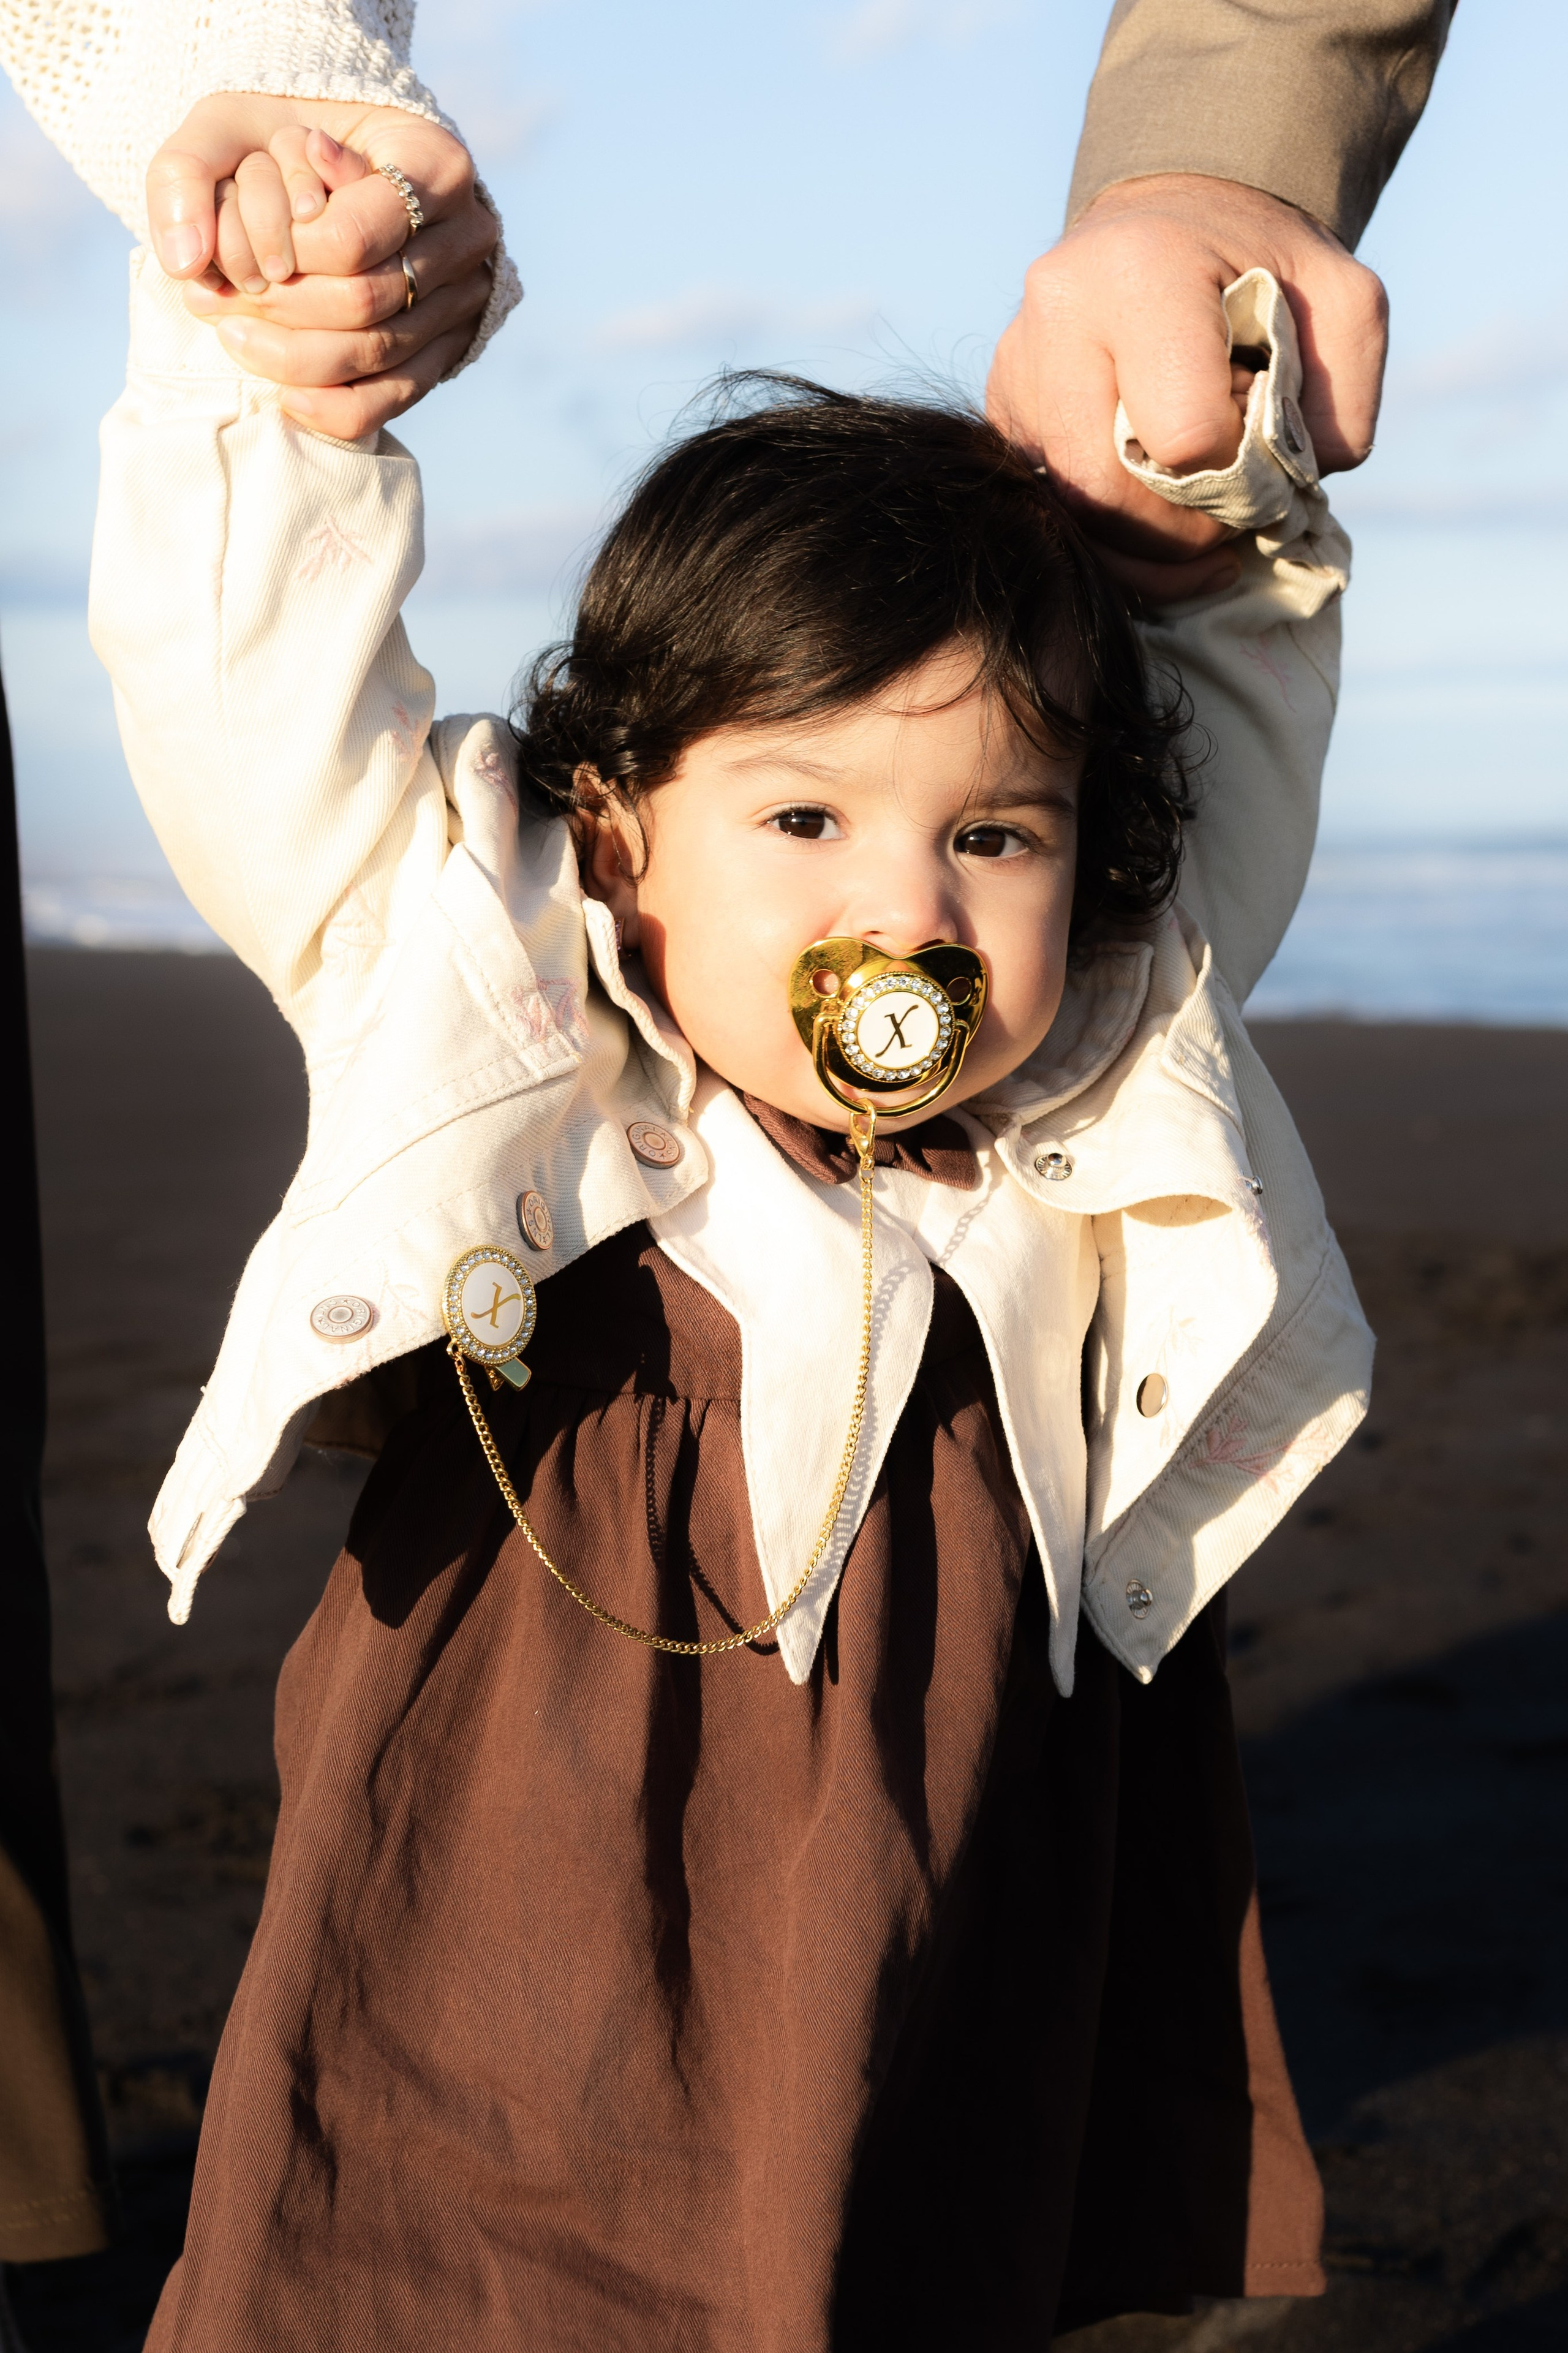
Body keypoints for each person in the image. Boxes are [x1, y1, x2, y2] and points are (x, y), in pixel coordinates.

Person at [0, 0, 1450, 2339]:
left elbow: (1229, 694)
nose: (909, 908)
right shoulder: (493, 1004)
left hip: (961, 1850)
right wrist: (279, 400)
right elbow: (248, 692)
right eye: (803, 816)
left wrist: (1207, 483)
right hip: (515, 1864)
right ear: (615, 827)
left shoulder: (1104, 1064)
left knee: (913, 2238)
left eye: (994, 834)